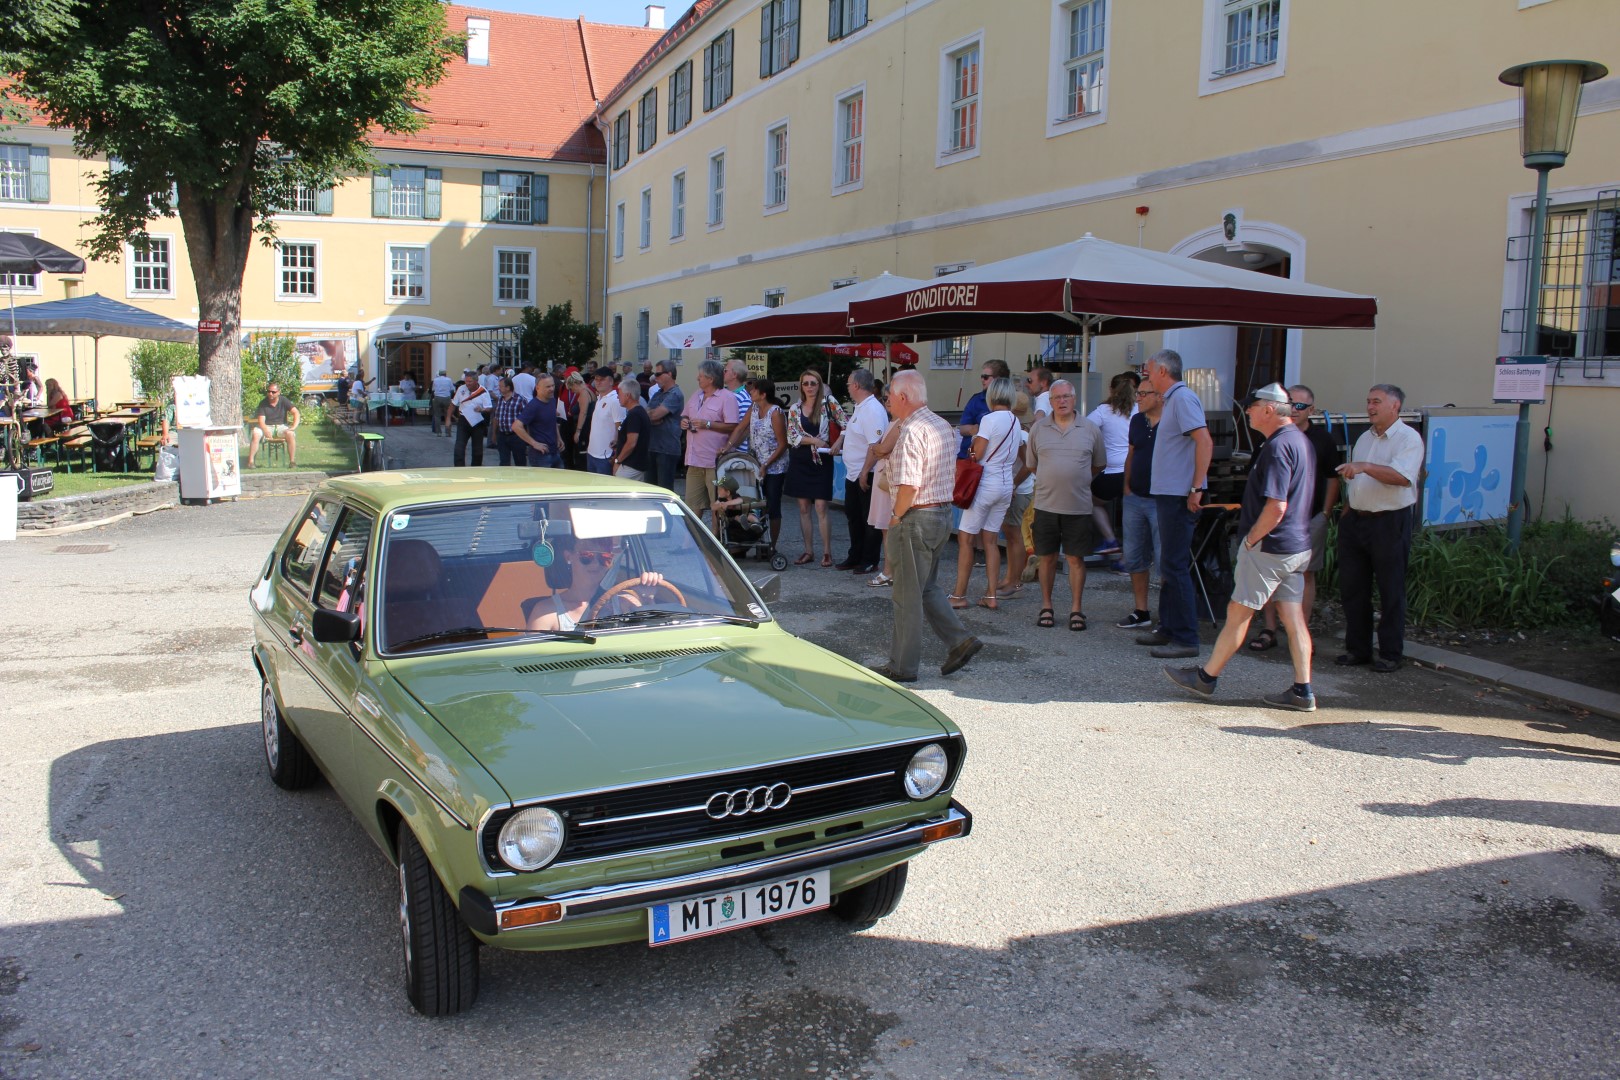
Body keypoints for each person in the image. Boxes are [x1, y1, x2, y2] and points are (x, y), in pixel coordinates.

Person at [1164, 383, 1319, 711]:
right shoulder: (1299, 441)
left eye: (1251, 406)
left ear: (1269, 409)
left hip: (1271, 547)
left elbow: (1276, 506)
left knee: (1238, 612)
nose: (1246, 411)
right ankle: (1303, 690)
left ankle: (1206, 678)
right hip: (1294, 546)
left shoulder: (1278, 447)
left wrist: (1250, 540)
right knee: (1292, 618)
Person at [873, 369, 982, 683]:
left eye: (890, 396)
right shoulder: (941, 425)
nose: (888, 402)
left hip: (916, 518)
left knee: (907, 596)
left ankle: (902, 666)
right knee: (927, 587)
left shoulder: (911, 431)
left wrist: (895, 517)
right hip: (940, 515)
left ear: (903, 397)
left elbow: (909, 485)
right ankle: (960, 641)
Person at [1336, 383, 1424, 672]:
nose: (1370, 407)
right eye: (1368, 400)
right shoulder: (1365, 437)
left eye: (1376, 401)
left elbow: (1401, 477)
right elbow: (1356, 479)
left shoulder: (1408, 439)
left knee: (1390, 589)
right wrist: (1348, 512)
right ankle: (1358, 650)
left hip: (1390, 521)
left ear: (1394, 406)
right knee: (1353, 587)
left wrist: (1363, 466)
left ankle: (1390, 653)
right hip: (1357, 520)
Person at [1251, 384, 1343, 651]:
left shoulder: (1322, 439)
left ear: (1311, 410)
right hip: (1273, 516)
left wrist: (1325, 513)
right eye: (1290, 403)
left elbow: (1332, 477)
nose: (1294, 409)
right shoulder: (1272, 436)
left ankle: (1298, 632)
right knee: (1267, 574)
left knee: (1305, 574)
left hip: (1308, 517)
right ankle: (1269, 628)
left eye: (1300, 406)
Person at [1139, 349, 1213, 659]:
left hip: (1179, 494)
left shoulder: (1182, 398)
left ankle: (1186, 637)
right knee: (1169, 563)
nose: (1147, 374)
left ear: (1163, 372)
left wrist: (1196, 486)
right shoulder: (1173, 399)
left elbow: (1204, 441)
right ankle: (1169, 628)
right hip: (1171, 492)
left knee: (1176, 565)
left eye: (1150, 370)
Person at [1026, 379, 1106, 631]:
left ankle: (1076, 609)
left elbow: (1099, 465)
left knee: (1075, 559)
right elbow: (1032, 464)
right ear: (1049, 402)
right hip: (1046, 504)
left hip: (1078, 506)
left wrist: (1078, 479)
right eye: (1056, 397)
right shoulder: (1038, 429)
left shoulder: (1091, 429)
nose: (1061, 401)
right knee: (1046, 558)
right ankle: (1047, 606)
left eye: (1066, 397)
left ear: (1074, 399)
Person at [948, 377, 1021, 611]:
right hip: (1005, 483)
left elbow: (976, 454)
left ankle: (959, 594)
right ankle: (991, 595)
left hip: (986, 482)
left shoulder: (989, 419)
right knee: (991, 540)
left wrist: (971, 448)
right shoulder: (1015, 421)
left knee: (966, 538)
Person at [524, 534, 666, 633]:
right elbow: (530, 665)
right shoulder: (546, 612)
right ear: (569, 557)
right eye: (587, 557)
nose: (596, 564)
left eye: (604, 558)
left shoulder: (624, 603)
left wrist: (648, 598)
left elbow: (653, 639)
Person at [784, 369, 847, 566]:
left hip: (822, 460)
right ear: (801, 386)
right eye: (806, 383)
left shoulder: (829, 404)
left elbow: (846, 424)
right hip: (801, 460)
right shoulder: (795, 408)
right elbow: (791, 436)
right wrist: (813, 440)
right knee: (803, 507)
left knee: (821, 506)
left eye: (813, 383)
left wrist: (837, 444)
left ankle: (827, 552)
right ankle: (808, 550)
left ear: (819, 385)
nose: (810, 387)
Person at [1115, 380, 1164, 630]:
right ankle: (1141, 610)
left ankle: (1167, 615)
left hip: (1161, 500)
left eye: (1144, 393)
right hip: (1135, 497)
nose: (1138, 398)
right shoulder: (1137, 421)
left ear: (1160, 396)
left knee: (1164, 558)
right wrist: (1126, 484)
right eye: (1138, 393)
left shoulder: (1172, 422)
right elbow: (1131, 453)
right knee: (1134, 556)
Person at [834, 368, 888, 573]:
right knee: (854, 516)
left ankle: (869, 560)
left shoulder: (872, 409)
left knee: (869, 519)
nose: (847, 388)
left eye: (848, 384)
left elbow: (875, 445)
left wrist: (865, 472)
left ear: (856, 385)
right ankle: (855, 555)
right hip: (854, 472)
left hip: (866, 473)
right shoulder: (861, 407)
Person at [1085, 371, 1138, 557]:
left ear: (1111, 390)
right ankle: (1129, 558)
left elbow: (1084, 428)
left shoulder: (1104, 411)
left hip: (1113, 471)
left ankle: (1110, 540)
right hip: (1136, 470)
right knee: (1134, 515)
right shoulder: (1139, 410)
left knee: (1089, 500)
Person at [680, 359, 740, 519]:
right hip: (693, 460)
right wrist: (684, 421)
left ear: (711, 379)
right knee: (693, 505)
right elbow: (685, 414)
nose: (697, 378)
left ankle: (715, 538)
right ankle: (692, 542)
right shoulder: (696, 395)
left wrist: (708, 424)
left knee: (717, 506)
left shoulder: (727, 398)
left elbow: (733, 426)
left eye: (700, 376)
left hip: (714, 461)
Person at [993, 390, 1036, 596]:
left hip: (1019, 490)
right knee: (1011, 534)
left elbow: (1028, 465)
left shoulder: (1019, 433)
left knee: (1014, 534)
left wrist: (1013, 485)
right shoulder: (1020, 431)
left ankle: (1015, 581)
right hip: (1018, 489)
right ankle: (1011, 577)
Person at [863, 405, 905, 588]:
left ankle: (889, 572)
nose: (888, 403)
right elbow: (878, 449)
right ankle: (891, 571)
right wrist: (880, 449)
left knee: (887, 527)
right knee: (886, 528)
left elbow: (880, 448)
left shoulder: (899, 423)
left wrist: (880, 449)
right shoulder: (893, 422)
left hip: (887, 478)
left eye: (891, 398)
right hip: (885, 475)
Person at [745, 377, 789, 549]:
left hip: (774, 467)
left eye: (754, 389)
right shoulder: (755, 408)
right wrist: (728, 447)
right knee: (756, 502)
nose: (751, 392)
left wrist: (766, 465)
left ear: (763, 394)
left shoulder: (776, 412)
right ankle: (758, 539)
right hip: (757, 464)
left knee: (773, 505)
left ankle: (773, 544)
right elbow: (742, 428)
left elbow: (783, 444)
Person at [957, 359, 1009, 458]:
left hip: (977, 465)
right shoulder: (1013, 422)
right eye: (981, 376)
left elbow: (974, 456)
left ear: (998, 380)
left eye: (985, 377)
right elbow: (1028, 464)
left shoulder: (989, 420)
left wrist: (975, 437)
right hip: (994, 468)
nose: (982, 380)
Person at [646, 361, 685, 490]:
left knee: (664, 490)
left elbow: (654, 415)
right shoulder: (658, 393)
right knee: (650, 490)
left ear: (669, 374)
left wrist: (653, 416)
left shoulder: (675, 394)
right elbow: (648, 415)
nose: (655, 378)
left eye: (658, 374)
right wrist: (653, 416)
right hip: (652, 447)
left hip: (667, 449)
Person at [512, 373, 562, 468]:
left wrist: (559, 438)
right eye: (548, 386)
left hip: (555, 451)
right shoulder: (533, 406)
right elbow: (516, 426)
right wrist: (534, 443)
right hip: (540, 456)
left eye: (553, 385)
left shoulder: (552, 400)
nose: (551, 389)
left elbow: (553, 421)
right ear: (537, 388)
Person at [247, 383, 300, 467]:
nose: (270, 394)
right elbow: (261, 421)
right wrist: (265, 430)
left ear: (279, 392)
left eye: (273, 392)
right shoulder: (263, 403)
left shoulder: (284, 400)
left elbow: (296, 412)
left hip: (281, 426)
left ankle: (292, 462)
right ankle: (251, 462)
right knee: (256, 434)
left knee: (290, 434)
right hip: (266, 426)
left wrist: (293, 427)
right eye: (268, 391)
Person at [584, 366, 625, 474]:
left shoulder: (615, 401)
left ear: (611, 381)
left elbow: (620, 427)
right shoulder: (600, 399)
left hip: (606, 456)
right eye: (596, 379)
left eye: (602, 379)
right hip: (592, 452)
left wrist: (616, 456)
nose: (598, 382)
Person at [612, 378, 651, 480]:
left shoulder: (635, 415)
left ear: (628, 395)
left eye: (619, 394)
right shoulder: (636, 412)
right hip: (633, 465)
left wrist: (618, 461)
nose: (618, 397)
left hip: (630, 466)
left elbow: (631, 443)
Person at [450, 368, 491, 466]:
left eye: (470, 381)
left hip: (477, 421)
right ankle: (459, 469)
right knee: (459, 447)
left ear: (476, 381)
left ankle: (475, 470)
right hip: (463, 420)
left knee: (477, 449)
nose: (467, 383)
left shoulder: (483, 392)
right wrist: (448, 419)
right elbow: (453, 404)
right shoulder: (461, 389)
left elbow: (489, 408)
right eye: (466, 381)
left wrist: (482, 410)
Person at [489, 376, 528, 466]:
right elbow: (496, 417)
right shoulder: (500, 400)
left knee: (520, 461)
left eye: (501, 386)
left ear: (508, 387)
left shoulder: (520, 400)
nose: (499, 388)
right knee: (504, 462)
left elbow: (527, 418)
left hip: (516, 436)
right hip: (502, 435)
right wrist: (494, 434)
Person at [565, 370, 593, 469]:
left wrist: (578, 431)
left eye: (571, 388)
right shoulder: (588, 391)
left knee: (581, 455)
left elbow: (583, 412)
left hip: (584, 429)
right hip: (586, 427)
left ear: (575, 384)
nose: (572, 391)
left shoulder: (584, 393)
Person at [430, 369, 454, 437]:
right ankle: (448, 432)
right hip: (446, 397)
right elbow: (452, 389)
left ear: (439, 374)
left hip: (437, 397)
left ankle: (439, 432)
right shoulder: (449, 380)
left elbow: (433, 390)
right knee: (448, 415)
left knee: (437, 415)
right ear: (445, 374)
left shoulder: (435, 380)